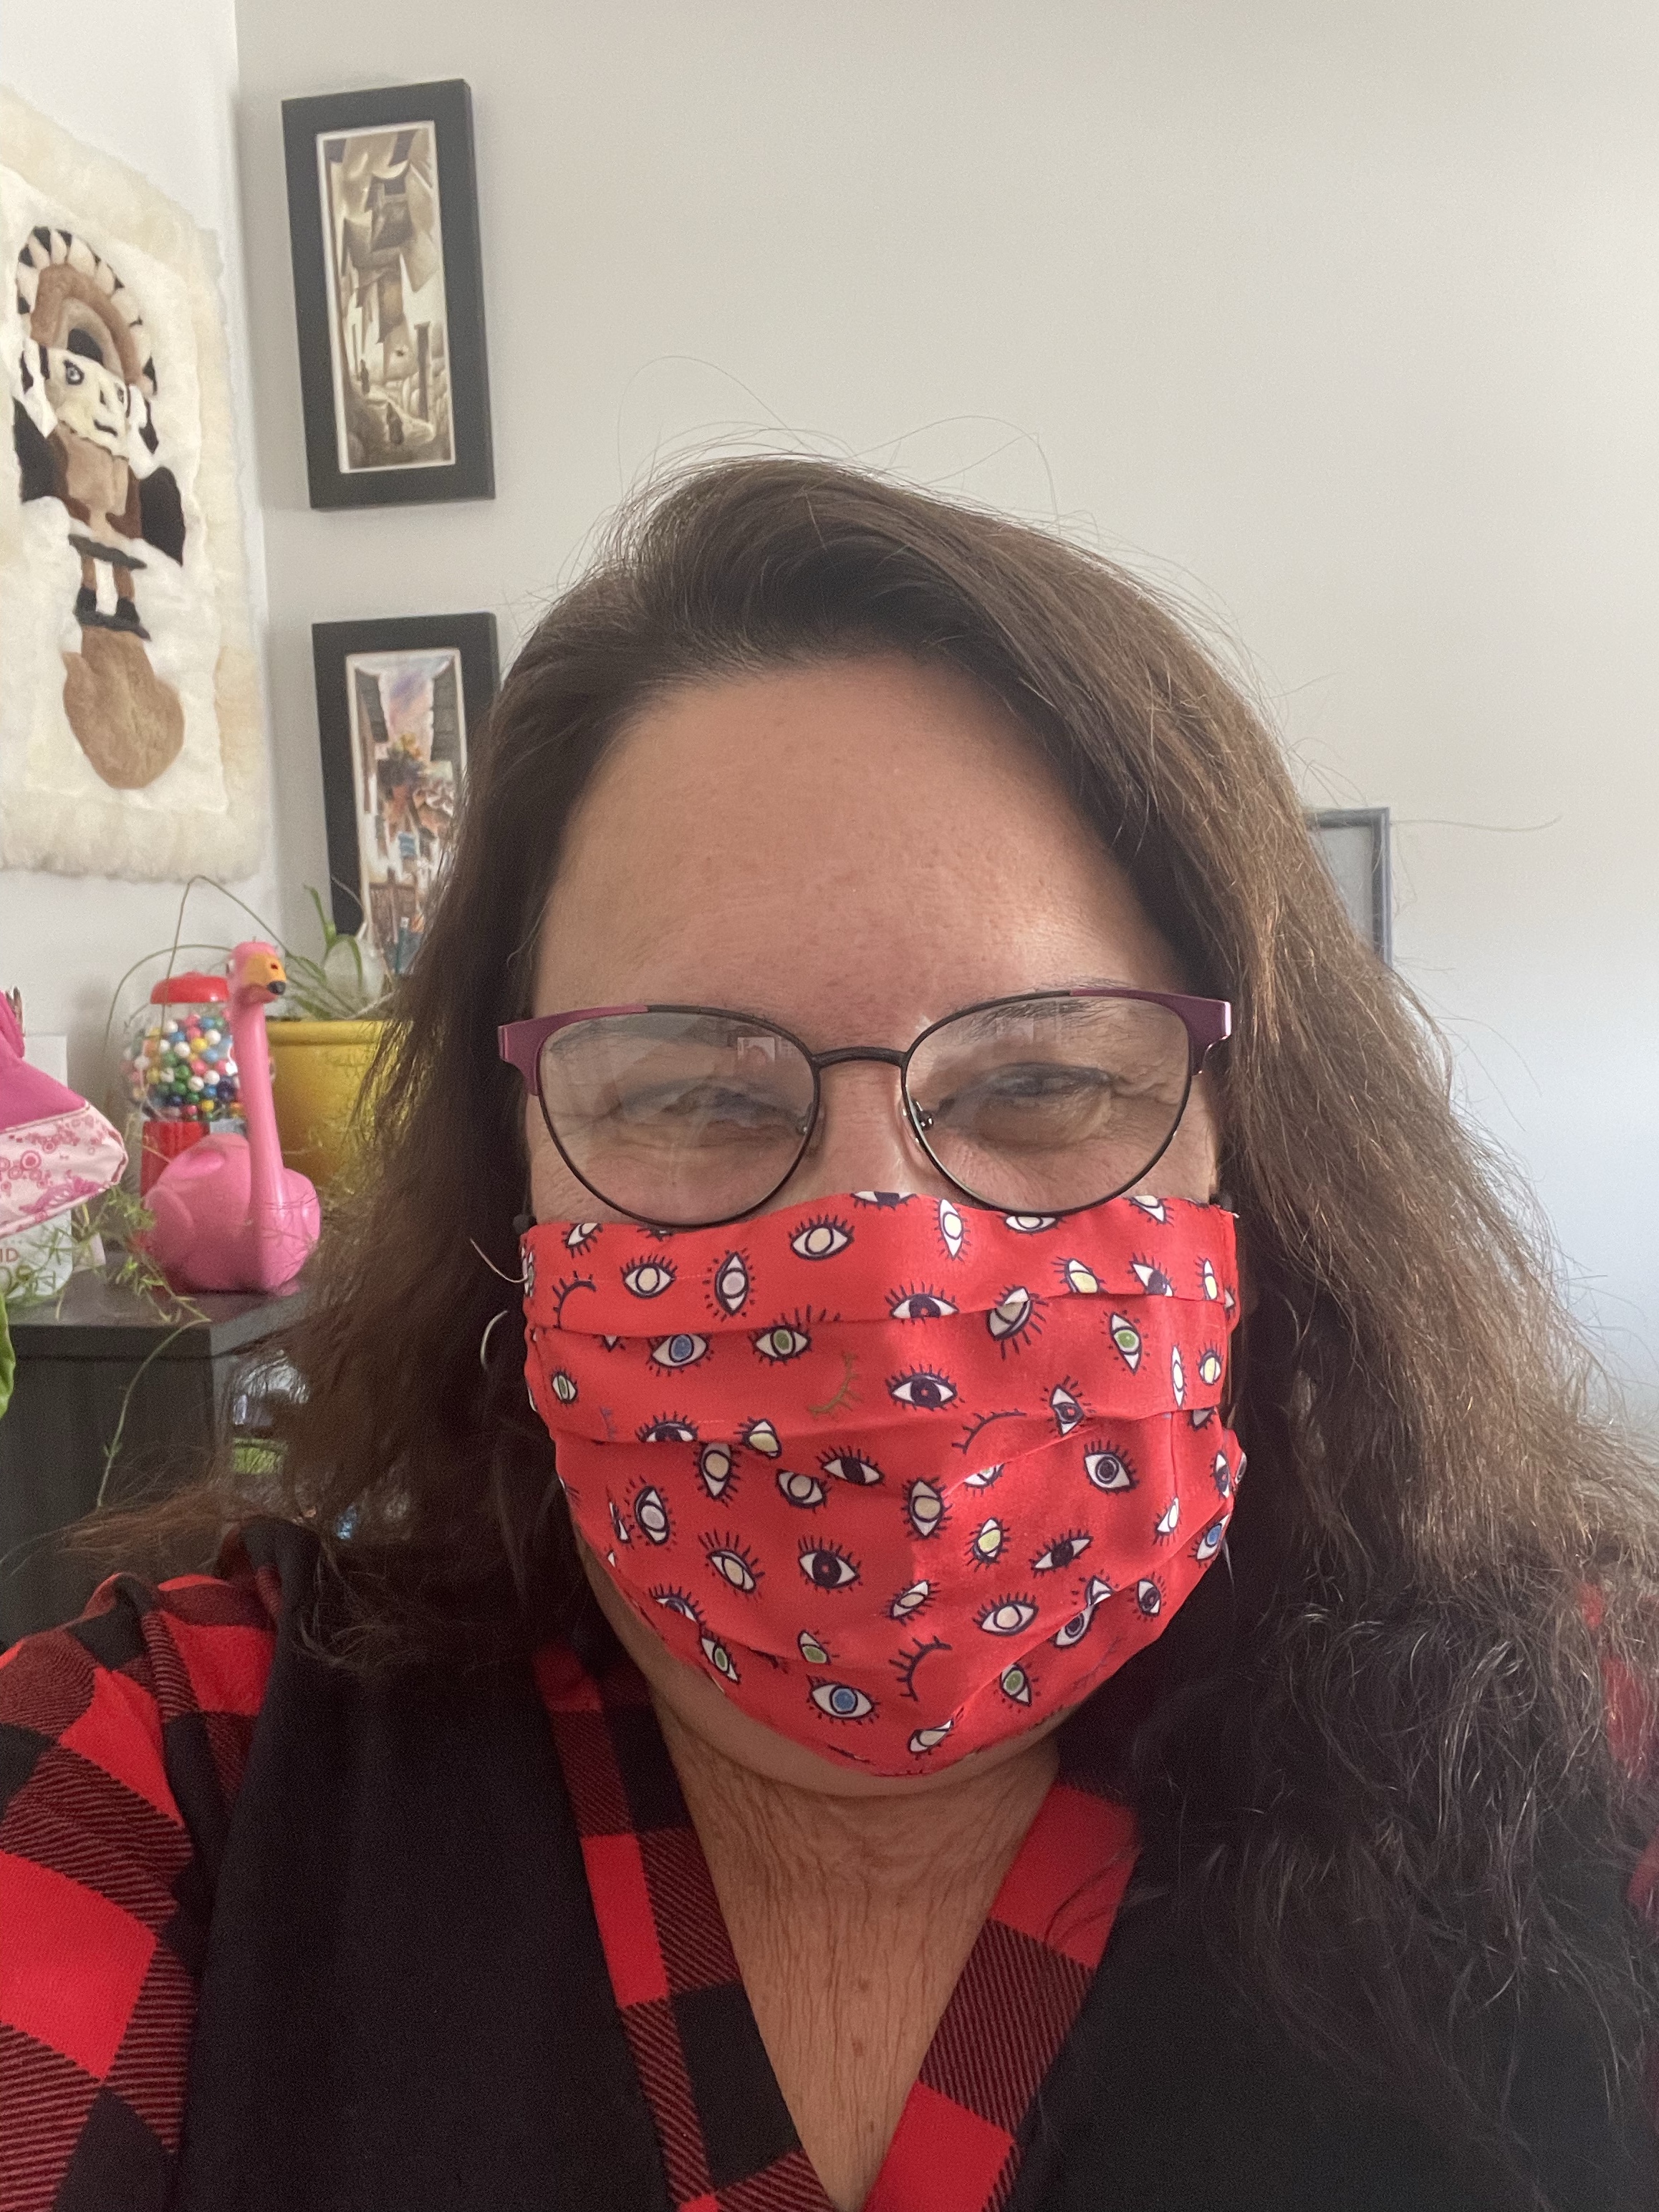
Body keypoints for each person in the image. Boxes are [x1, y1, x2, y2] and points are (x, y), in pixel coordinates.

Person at [4, 458, 1658, 2212]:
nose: (890, 1274)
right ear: (514, 1177)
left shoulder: (1587, 1752)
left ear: (1256, 1148)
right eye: (695, 1094)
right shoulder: (165, 1774)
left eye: (1043, 1079)